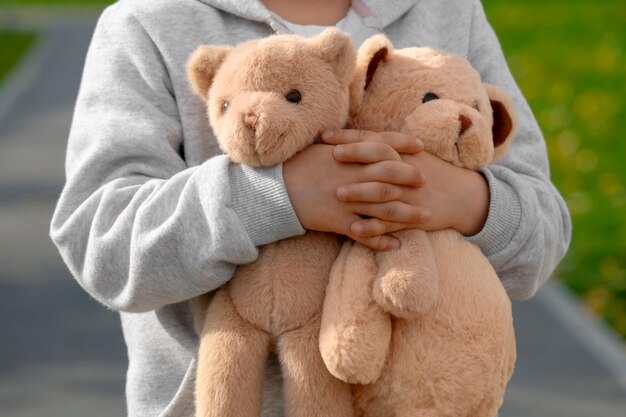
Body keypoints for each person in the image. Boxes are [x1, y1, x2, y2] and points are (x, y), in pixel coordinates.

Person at [50, 0, 572, 416]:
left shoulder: (450, 12)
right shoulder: (148, 22)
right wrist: (280, 196)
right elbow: (102, 244)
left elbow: (546, 230)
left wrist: (462, 199)